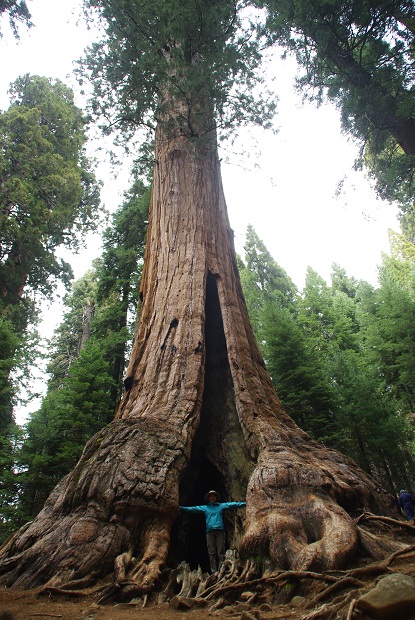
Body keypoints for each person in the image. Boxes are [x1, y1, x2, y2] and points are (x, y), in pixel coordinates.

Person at [180, 490, 246, 573]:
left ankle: (221, 570)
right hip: (209, 531)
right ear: (208, 498)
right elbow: (193, 509)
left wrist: (245, 503)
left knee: (220, 551)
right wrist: (181, 508)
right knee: (211, 552)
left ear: (216, 498)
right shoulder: (205, 508)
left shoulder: (221, 506)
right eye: (211, 496)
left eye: (214, 496)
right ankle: (214, 571)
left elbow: (232, 505)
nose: (212, 498)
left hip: (219, 530)